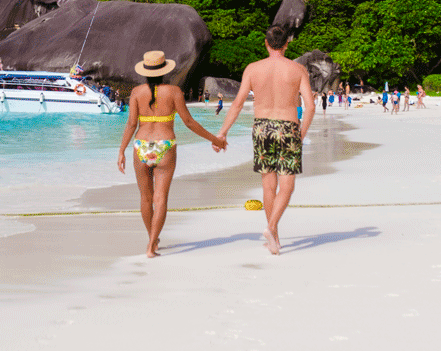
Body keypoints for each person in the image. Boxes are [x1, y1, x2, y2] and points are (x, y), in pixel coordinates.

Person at [216, 24, 314, 256]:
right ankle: (271, 229)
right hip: (288, 127)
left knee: (269, 186)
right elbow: (310, 106)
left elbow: (238, 103)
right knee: (287, 187)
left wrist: (223, 132)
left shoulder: (253, 69)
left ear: (266, 43)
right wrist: (301, 133)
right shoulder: (298, 69)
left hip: (262, 128)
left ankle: (274, 239)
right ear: (287, 44)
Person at [118, 51, 225, 258]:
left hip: (140, 145)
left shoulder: (136, 92)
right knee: (160, 198)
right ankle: (151, 245)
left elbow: (131, 124)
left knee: (145, 198)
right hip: (165, 145)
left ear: (145, 72)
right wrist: (215, 139)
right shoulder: (174, 91)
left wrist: (121, 150)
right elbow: (189, 122)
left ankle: (152, 239)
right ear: (164, 71)